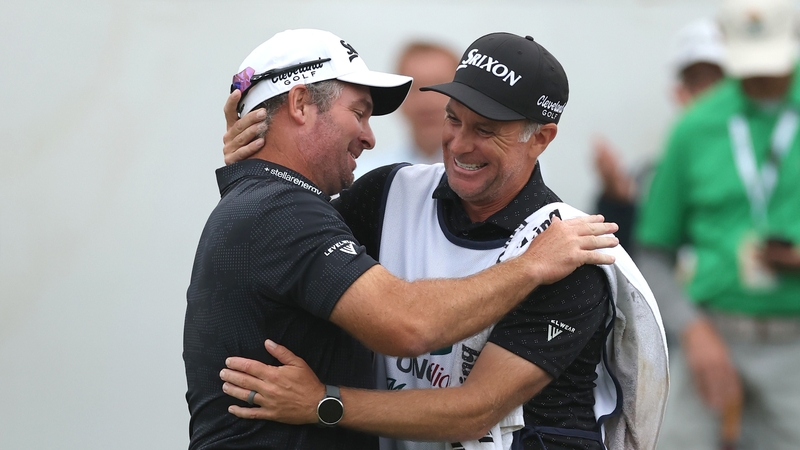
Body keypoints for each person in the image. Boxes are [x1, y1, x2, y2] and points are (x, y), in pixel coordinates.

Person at [218, 32, 667, 450]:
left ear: (541, 139)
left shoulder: (571, 251)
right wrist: (258, 165)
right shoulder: (388, 192)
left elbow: (477, 411)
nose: (459, 144)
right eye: (454, 119)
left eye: (486, 130)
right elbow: (284, 251)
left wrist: (322, 404)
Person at [635, 0, 800, 449]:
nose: (760, 79)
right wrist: (693, 329)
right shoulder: (695, 127)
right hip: (712, 334)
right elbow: (652, 250)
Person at [593, 18, 725, 251]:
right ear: (679, 92)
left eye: (718, 81)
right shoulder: (648, 177)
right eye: (697, 82)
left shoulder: (775, 161)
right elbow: (631, 263)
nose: (709, 96)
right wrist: (617, 203)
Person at [353, 41, 459, 177]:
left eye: (439, 88)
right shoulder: (370, 179)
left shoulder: (483, 174)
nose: (428, 100)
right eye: (416, 88)